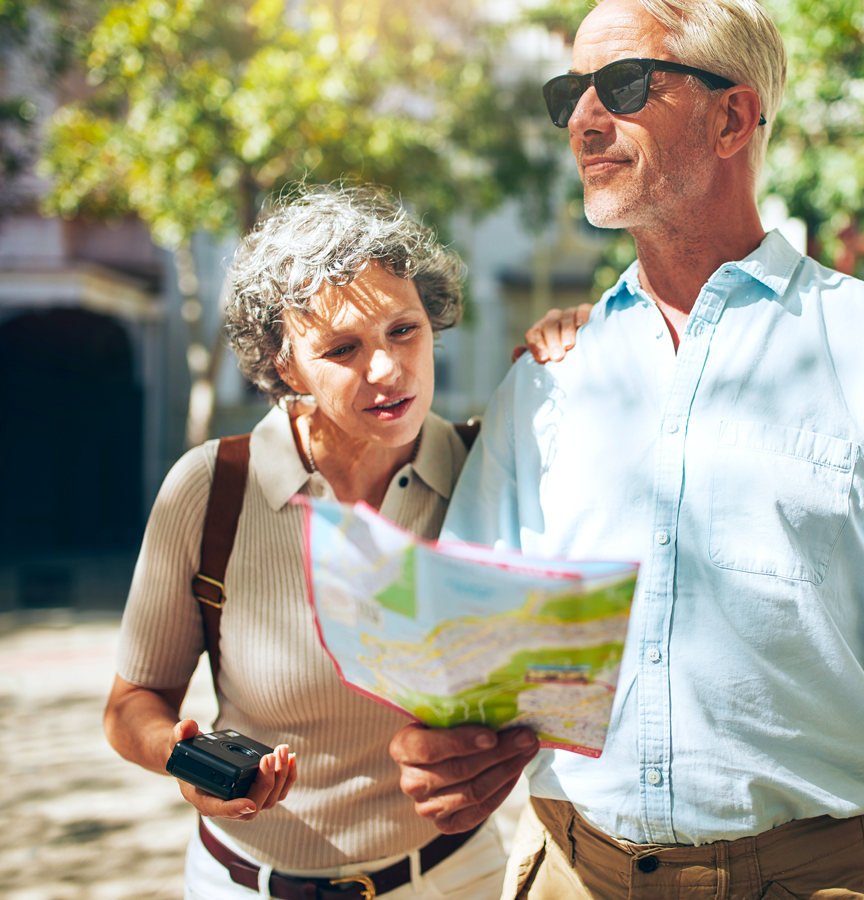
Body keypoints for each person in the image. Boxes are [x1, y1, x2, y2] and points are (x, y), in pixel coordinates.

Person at [389, 2, 864, 898]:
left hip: (802, 875)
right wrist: (454, 748)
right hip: (566, 865)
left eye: (622, 85)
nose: (585, 120)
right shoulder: (550, 374)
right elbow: (477, 644)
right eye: (569, 95)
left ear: (732, 117)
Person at [104, 184, 585, 900]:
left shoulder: (493, 471)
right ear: (285, 364)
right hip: (243, 884)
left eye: (404, 330)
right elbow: (133, 701)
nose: (387, 370)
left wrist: (593, 336)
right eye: (342, 348)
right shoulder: (211, 490)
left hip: (454, 880)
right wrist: (185, 763)